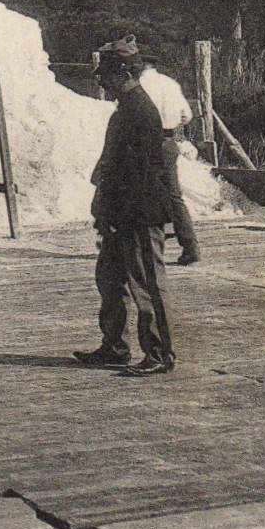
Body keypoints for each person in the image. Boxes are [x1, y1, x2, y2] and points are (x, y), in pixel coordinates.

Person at [75, 37, 176, 376]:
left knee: (146, 284)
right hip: (119, 213)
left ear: (122, 72)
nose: (100, 80)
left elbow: (139, 174)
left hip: (137, 214)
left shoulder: (140, 112)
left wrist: (120, 215)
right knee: (110, 281)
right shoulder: (126, 108)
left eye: (105, 73)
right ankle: (114, 347)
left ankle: (159, 354)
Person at [126, 41, 202, 265]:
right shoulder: (170, 84)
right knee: (173, 196)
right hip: (168, 142)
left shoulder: (137, 86)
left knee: (137, 192)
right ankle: (191, 247)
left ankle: (138, 248)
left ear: (139, 64)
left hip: (144, 143)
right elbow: (186, 115)